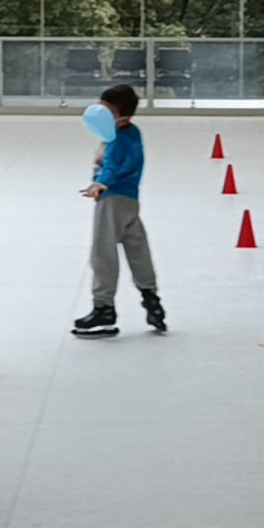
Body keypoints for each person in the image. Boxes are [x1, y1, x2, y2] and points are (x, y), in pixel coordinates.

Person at [72, 85, 166, 338]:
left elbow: (112, 164)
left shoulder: (116, 139)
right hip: (130, 200)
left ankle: (104, 308)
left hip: (112, 199)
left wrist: (101, 183)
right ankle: (151, 298)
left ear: (119, 114)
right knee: (137, 247)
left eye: (105, 110)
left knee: (103, 252)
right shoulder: (133, 132)